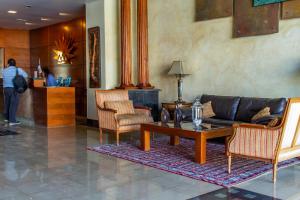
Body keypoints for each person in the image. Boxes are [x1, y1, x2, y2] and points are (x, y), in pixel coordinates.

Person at [2, 58, 28, 126]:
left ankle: (7, 118)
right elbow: (26, 75)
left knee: (7, 103)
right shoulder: (18, 69)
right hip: (13, 89)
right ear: (15, 64)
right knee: (13, 104)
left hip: (5, 89)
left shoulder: (4, 70)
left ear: (8, 64)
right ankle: (12, 120)